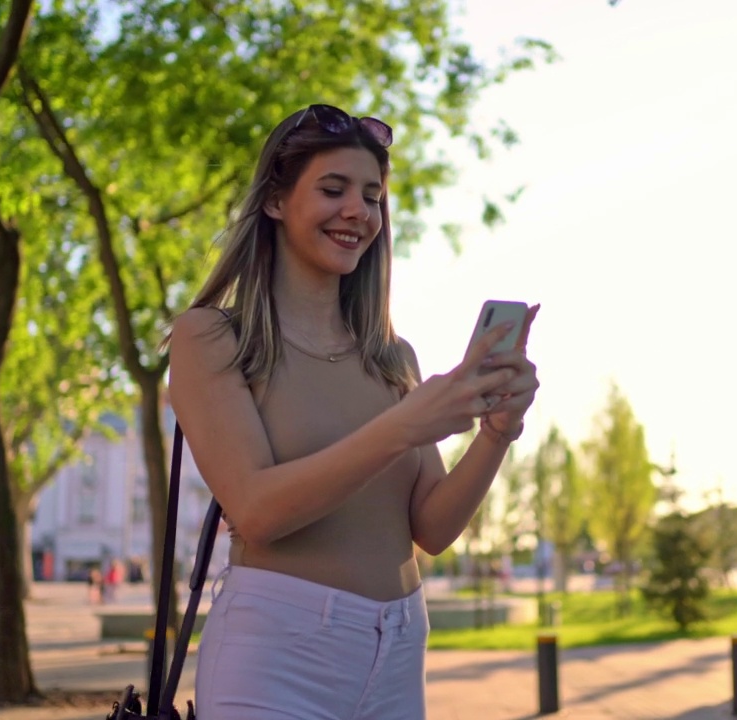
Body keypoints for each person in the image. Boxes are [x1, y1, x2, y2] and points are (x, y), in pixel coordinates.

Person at [167, 103, 540, 719]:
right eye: (333, 189)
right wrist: (404, 425)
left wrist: (497, 433)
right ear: (276, 201)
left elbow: (433, 529)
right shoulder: (212, 337)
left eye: (372, 197)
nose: (358, 213)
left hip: (399, 645)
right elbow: (255, 512)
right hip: (277, 651)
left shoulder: (394, 357)